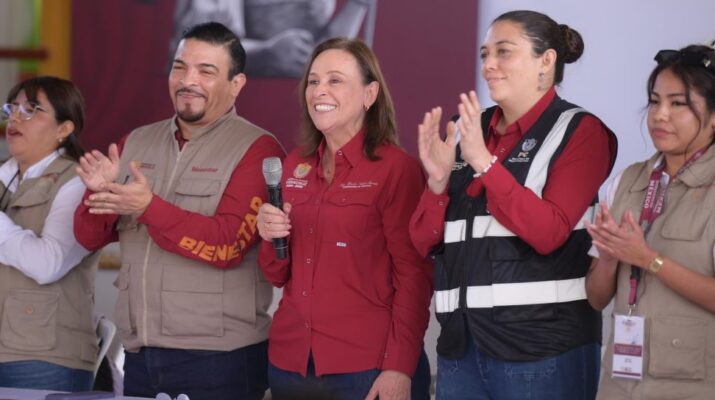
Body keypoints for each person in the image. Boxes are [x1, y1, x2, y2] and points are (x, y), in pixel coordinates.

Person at [410, 10, 618, 400]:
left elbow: (549, 233)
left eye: (504, 52)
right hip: (460, 349)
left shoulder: (581, 131)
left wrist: (485, 164)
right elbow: (424, 241)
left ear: (546, 60)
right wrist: (437, 185)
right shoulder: (469, 129)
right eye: (485, 54)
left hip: (543, 351)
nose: (489, 65)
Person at [73, 22, 285, 400]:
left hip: (220, 360)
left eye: (206, 71)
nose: (188, 81)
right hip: (140, 354)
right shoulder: (137, 140)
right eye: (179, 67)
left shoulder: (258, 149)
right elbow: (88, 238)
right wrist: (99, 192)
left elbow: (226, 246)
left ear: (236, 84)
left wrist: (148, 207)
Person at [256, 37, 433, 400]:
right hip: (290, 364)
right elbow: (276, 274)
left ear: (370, 94)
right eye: (313, 81)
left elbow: (414, 278)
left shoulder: (397, 170)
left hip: (365, 367)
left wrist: (399, 368)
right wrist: (270, 235)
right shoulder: (294, 164)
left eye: (335, 80)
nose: (319, 90)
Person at [585, 45, 715, 399]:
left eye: (678, 103)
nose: (660, 115)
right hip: (621, 384)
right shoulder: (626, 181)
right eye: (654, 102)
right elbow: (596, 299)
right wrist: (609, 259)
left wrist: (649, 259)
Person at [0, 76, 98, 391]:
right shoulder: (3, 175)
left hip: (44, 357)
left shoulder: (79, 182)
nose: (15, 118)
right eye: (12, 109)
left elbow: (48, 264)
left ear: (64, 129)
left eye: (31, 110)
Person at [169, 0, 376, 78]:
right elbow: (200, 48)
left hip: (302, 108)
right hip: (243, 101)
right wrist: (266, 52)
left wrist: (358, 5)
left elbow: (326, 53)